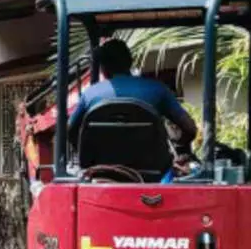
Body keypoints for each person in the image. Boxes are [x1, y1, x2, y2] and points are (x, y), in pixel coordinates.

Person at [69, 39, 198, 159]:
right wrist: (179, 144)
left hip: (102, 166)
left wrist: (84, 153)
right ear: (130, 62)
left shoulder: (90, 94)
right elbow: (190, 129)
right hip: (152, 167)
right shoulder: (157, 89)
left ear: (102, 67)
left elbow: (70, 130)